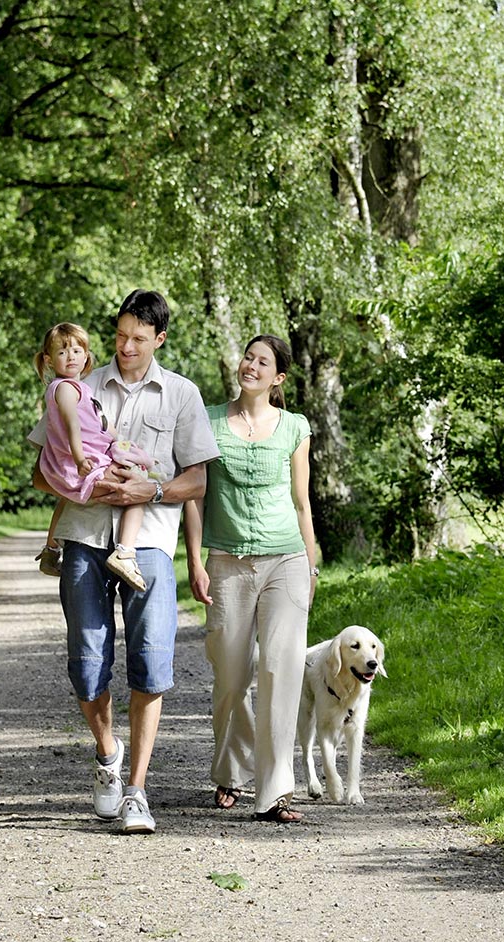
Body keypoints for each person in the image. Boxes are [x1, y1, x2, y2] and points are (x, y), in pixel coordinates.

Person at [30, 290, 219, 834]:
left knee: (152, 661)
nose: (126, 347)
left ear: (160, 338)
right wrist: (90, 490)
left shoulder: (182, 394)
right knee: (87, 662)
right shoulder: (77, 384)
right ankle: (108, 755)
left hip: (150, 543)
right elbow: (42, 472)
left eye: (139, 338)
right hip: (85, 538)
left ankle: (137, 790)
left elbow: (198, 481)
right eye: (119, 336)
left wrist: (151, 488)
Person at [184, 334, 318, 823]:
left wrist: (312, 562)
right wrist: (195, 561)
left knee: (280, 673)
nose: (251, 366)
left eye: (263, 362)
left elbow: (302, 502)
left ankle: (276, 790)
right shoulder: (209, 420)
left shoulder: (295, 427)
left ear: (278, 377)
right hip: (226, 561)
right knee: (232, 676)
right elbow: (195, 496)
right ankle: (229, 773)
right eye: (248, 357)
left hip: (286, 560)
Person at [32, 321, 161, 592]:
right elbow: (72, 424)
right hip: (80, 460)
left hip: (68, 464)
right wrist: (80, 459)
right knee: (136, 486)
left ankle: (51, 549)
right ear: (48, 359)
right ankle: (125, 552)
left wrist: (122, 444)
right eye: (62, 352)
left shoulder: (82, 389)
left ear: (86, 355)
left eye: (77, 351)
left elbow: (102, 423)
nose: (71, 357)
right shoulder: (65, 388)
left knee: (66, 500)